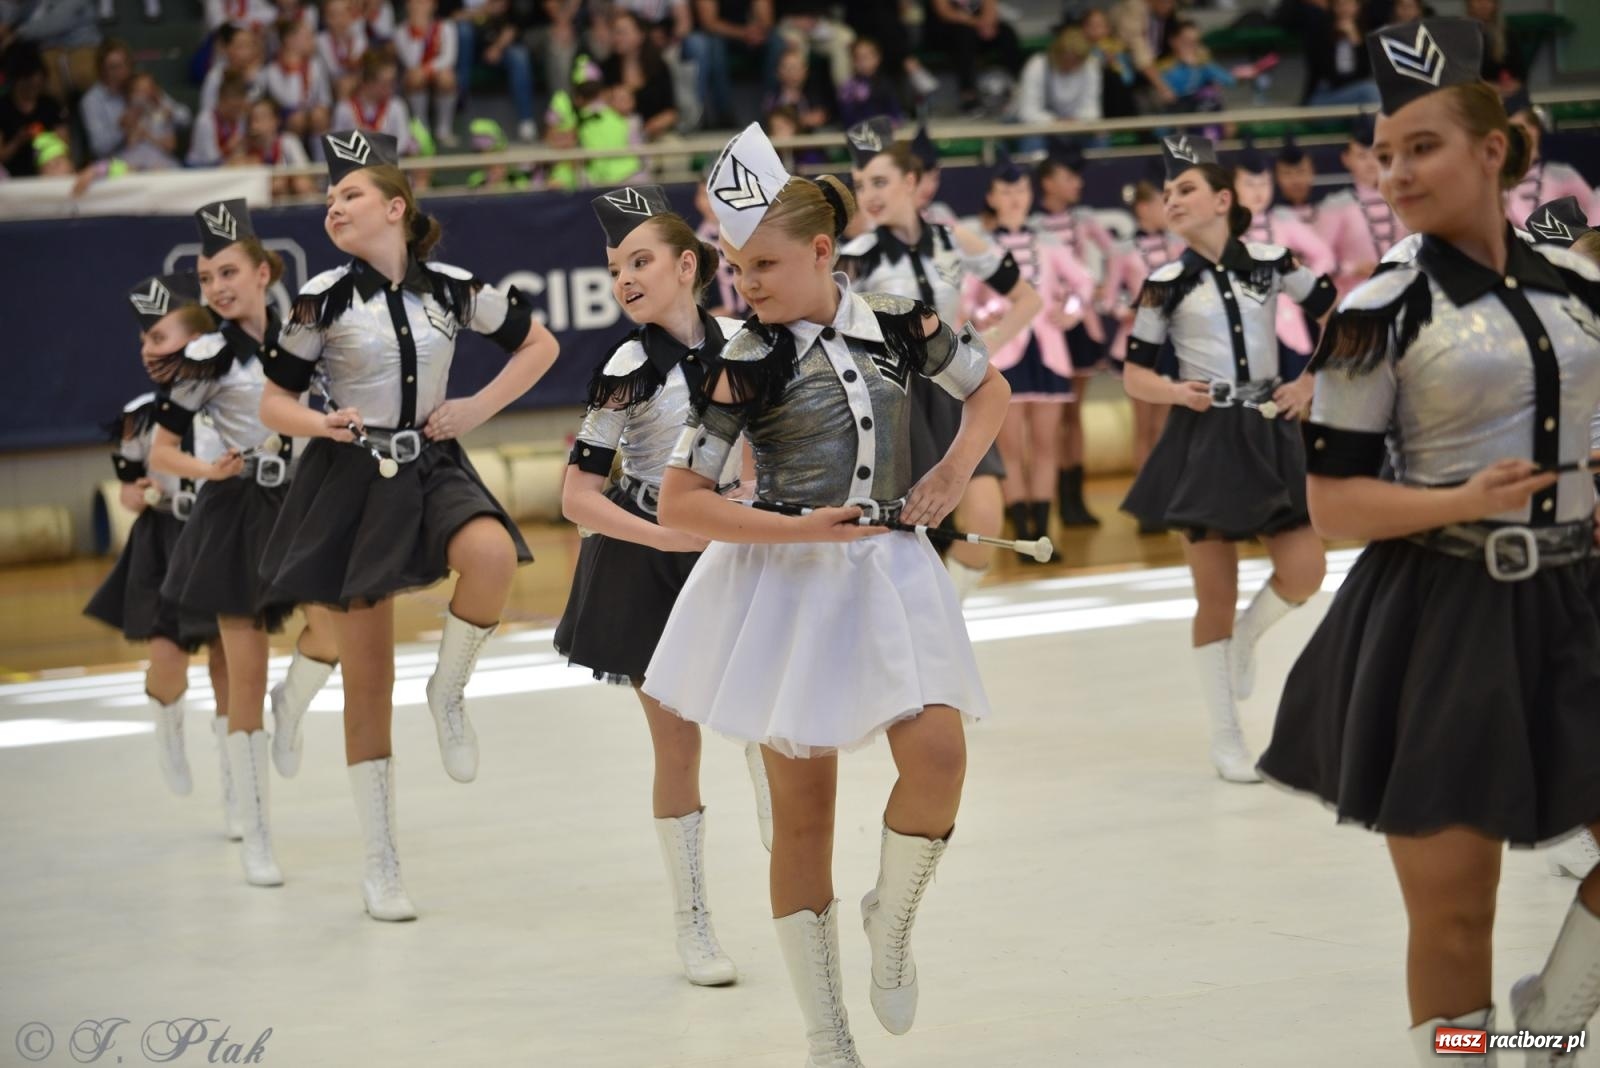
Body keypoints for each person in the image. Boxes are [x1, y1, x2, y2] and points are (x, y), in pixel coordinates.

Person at [1258, 19, 1600, 1063]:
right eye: (1384, 151)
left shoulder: (1577, 293)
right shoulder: (1374, 314)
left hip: (1577, 601)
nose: (1395, 171)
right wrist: (1457, 498)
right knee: (1455, 917)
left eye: (1422, 146)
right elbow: (1333, 507)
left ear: (1492, 151)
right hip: (1443, 622)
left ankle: (1554, 1015)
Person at [644, 121, 1007, 1067]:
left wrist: (956, 474)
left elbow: (990, 391)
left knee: (939, 756)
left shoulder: (899, 320)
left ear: (820, 250)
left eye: (763, 263)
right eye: (733, 267)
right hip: (785, 588)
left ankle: (892, 917)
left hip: (890, 568)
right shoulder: (741, 363)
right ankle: (827, 1036)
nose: (746, 285)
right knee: (802, 817)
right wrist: (795, 528)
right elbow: (685, 501)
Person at [258, 130, 559, 920]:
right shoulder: (318, 298)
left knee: (492, 556)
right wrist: (314, 425)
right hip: (352, 476)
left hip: (431, 463)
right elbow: (274, 400)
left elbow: (540, 344)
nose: (334, 207)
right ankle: (380, 860)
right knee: (367, 675)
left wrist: (475, 407)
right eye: (328, 200)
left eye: (349, 195)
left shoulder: (456, 287)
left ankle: (450, 693)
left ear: (395, 207)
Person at [555, 185, 772, 985]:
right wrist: (666, 534)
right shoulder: (624, 367)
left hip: (738, 549)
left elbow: (772, 437)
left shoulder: (750, 341)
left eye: (640, 262)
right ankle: (694, 923)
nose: (625, 280)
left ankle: (786, 839)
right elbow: (576, 496)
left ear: (688, 266)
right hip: (648, 561)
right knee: (677, 744)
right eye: (615, 269)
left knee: (765, 713)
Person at [1119, 134, 1335, 783]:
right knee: (1214, 594)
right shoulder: (1163, 283)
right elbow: (1133, 376)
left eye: (1184, 190)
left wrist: (1310, 381)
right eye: (1166, 194)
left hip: (1271, 427)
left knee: (1305, 569)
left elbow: (1339, 320)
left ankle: (1245, 639)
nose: (1172, 200)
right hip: (1205, 438)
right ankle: (1226, 739)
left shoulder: (1273, 261)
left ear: (1222, 199)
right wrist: (1171, 390)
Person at [149, 200, 335, 888]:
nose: (218, 286)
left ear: (263, 272)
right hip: (235, 509)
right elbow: (163, 449)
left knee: (333, 630)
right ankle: (258, 834)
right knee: (244, 676)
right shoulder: (205, 354)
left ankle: (294, 708)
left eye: (228, 271)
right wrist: (209, 468)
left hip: (301, 500)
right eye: (206, 277)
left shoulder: (303, 333)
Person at [840, 116, 1041, 599]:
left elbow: (1028, 298)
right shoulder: (856, 254)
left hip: (956, 390)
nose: (869, 191)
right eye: (861, 182)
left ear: (912, 182)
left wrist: (983, 343)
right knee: (905, 531)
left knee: (987, 513)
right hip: (891, 403)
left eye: (881, 180)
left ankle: (947, 611)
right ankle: (909, 622)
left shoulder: (954, 239)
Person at [88, 278, 228, 808]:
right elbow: (126, 487)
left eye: (159, 337)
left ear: (198, 342)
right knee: (167, 655)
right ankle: (169, 726)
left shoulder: (229, 402)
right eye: (144, 340)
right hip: (166, 537)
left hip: (223, 534)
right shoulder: (138, 415)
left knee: (228, 657)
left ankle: (236, 765)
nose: (148, 350)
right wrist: (136, 491)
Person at [966, 151, 1096, 553]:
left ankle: (1043, 532)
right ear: (991, 196)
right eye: (1006, 190)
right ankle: (1020, 533)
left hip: (1048, 353)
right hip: (1004, 353)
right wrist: (990, 314)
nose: (1015, 197)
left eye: (1021, 189)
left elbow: (1085, 282)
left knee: (1045, 445)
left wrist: (1070, 312)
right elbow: (966, 298)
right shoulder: (981, 247)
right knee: (1009, 447)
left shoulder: (1048, 243)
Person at [1032, 147, 1115, 527]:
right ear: (1048, 181)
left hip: (1078, 322)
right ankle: (1037, 501)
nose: (1077, 183)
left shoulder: (1084, 220)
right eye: (1069, 176)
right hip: (1047, 323)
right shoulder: (1032, 225)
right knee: (1045, 415)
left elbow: (1117, 253)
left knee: (1073, 414)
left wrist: (1103, 291)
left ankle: (1074, 500)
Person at [1233, 141, 1338, 380]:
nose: (1258, 191)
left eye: (1264, 183)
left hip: (1287, 325)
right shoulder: (1224, 227)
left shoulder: (1282, 220)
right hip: (1242, 329)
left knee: (1293, 404)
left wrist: (1298, 282)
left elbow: (1325, 256)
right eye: (1249, 184)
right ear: (1232, 186)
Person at [1100, 176, 1182, 480]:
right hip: (1138, 342)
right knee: (1144, 425)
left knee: (1164, 425)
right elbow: (1108, 299)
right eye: (1163, 202)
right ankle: (1147, 500)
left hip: (1173, 342)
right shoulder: (1123, 250)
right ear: (1144, 208)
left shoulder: (1178, 244)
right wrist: (1130, 309)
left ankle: (1166, 494)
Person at [1503, 91, 1599, 229]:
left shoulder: (1560, 173)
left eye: (1521, 128)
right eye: (1510, 131)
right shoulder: (1500, 182)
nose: (1517, 136)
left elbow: (1593, 209)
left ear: (1535, 129)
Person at [394, 0, 459, 147]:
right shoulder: (401, 31)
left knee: (447, 77)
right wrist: (417, 32)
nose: (419, 6)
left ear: (434, 5)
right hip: (412, 78)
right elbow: (411, 62)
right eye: (414, 2)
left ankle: (444, 129)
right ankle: (422, 129)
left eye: (424, 2)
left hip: (435, 73)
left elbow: (449, 58)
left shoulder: (446, 27)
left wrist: (427, 70)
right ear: (407, 5)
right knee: (414, 77)